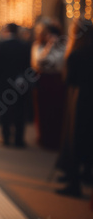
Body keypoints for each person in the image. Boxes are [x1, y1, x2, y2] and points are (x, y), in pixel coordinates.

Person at [56, 19, 93, 198]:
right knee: (88, 140)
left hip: (79, 100)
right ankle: (86, 174)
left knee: (75, 141)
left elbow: (69, 80)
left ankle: (74, 184)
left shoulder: (76, 54)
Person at [0, 23, 31, 148]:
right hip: (20, 83)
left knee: (5, 111)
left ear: (7, 31)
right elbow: (28, 66)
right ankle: (19, 139)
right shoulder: (24, 45)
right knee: (20, 111)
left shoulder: (2, 45)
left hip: (4, 84)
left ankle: (6, 137)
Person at [31, 21, 66, 150]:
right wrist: (49, 48)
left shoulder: (63, 46)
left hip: (58, 81)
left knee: (57, 110)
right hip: (43, 81)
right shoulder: (38, 46)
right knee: (43, 110)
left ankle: (56, 139)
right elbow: (37, 63)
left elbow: (62, 63)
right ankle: (44, 138)